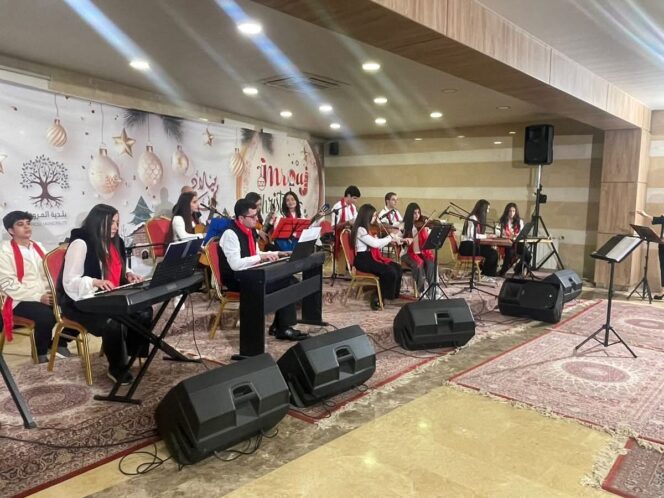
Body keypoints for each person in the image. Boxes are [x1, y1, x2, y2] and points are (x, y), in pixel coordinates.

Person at [59, 204, 152, 385]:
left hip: (109, 296)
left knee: (144, 310)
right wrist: (94, 282)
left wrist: (128, 274)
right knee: (113, 321)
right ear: (98, 222)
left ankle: (132, 356)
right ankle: (117, 368)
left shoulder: (116, 242)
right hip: (81, 300)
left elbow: (118, 266)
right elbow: (69, 281)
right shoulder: (81, 243)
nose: (115, 227)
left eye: (117, 223)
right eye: (111, 223)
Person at [218, 199, 307, 341]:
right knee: (286, 283)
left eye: (256, 215)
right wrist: (261, 258)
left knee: (290, 280)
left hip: (250, 274)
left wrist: (277, 253)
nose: (256, 219)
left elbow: (256, 253)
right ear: (241, 218)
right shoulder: (230, 234)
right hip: (236, 279)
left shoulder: (250, 230)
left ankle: (280, 326)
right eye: (252, 216)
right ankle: (282, 328)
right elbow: (235, 265)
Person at [0, 211, 71, 363]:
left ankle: (59, 342)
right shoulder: (4, 252)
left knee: (75, 305)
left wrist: (55, 292)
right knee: (46, 315)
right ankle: (40, 353)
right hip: (18, 299)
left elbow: (49, 273)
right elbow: (8, 285)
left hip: (44, 294)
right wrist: (39, 297)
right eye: (20, 224)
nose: (27, 227)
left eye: (28, 223)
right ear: (11, 230)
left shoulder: (38, 246)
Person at [350, 204, 404, 310]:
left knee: (397, 267)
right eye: (374, 215)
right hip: (363, 260)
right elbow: (375, 244)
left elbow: (377, 243)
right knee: (389, 271)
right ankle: (379, 297)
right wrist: (390, 237)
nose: (375, 218)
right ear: (367, 215)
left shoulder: (367, 229)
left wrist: (395, 239)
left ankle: (392, 295)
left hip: (369, 257)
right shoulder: (360, 230)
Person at [400, 203, 436, 298]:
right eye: (414, 213)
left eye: (418, 213)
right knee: (418, 264)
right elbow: (396, 238)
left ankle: (431, 291)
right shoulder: (404, 226)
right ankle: (421, 291)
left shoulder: (422, 225)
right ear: (409, 214)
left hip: (422, 252)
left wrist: (427, 230)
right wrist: (405, 239)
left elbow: (427, 239)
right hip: (408, 254)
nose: (417, 215)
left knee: (431, 263)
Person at [459, 199, 498, 277]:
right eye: (487, 209)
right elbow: (472, 235)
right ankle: (487, 274)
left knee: (491, 249)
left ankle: (485, 272)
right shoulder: (472, 218)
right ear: (482, 209)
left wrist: (487, 235)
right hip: (467, 247)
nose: (487, 211)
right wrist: (486, 236)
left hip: (471, 245)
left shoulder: (477, 219)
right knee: (493, 253)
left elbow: (477, 234)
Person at [497, 203, 531, 277]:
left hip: (517, 243)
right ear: (507, 211)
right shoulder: (503, 221)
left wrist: (516, 236)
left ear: (516, 212)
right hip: (507, 243)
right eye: (510, 211)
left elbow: (521, 233)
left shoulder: (519, 221)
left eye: (513, 211)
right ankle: (503, 271)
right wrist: (506, 235)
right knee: (510, 253)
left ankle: (518, 270)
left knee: (528, 255)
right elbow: (498, 232)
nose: (512, 213)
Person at [637, 209, 664, 299]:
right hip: (662, 244)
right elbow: (658, 220)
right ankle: (663, 290)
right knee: (663, 268)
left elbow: (656, 219)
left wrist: (644, 215)